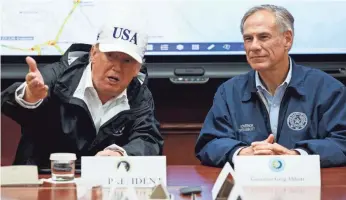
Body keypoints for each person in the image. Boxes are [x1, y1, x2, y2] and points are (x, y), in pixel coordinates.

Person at [195, 4, 346, 168]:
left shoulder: (326, 88)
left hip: (308, 186)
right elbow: (209, 143)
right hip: (249, 187)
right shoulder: (229, 92)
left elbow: (342, 141)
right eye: (248, 39)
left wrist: (298, 155)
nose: (254, 46)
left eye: (263, 37)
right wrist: (241, 153)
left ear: (287, 39)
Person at [1, 21, 163, 169]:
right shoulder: (58, 76)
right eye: (110, 55)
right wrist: (29, 97)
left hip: (103, 183)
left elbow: (148, 138)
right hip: (43, 176)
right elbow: (10, 106)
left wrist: (120, 154)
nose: (117, 67)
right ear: (93, 53)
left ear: (137, 68)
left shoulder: (140, 95)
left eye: (127, 61)